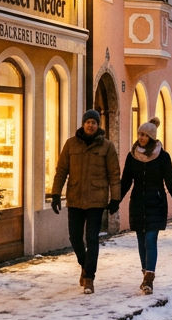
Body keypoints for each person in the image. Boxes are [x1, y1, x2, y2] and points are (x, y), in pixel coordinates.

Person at [48, 109, 121, 295]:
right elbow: (62, 169)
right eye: (88, 122)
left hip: (97, 199)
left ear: (98, 125)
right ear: (83, 124)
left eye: (94, 123)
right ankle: (84, 264)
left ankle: (89, 278)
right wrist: (56, 194)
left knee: (92, 238)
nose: (90, 125)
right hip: (75, 198)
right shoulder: (71, 144)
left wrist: (115, 199)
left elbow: (114, 174)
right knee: (74, 237)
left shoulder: (107, 146)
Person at [119, 117, 172, 295]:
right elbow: (125, 181)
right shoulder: (132, 156)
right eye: (139, 134)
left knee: (150, 239)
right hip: (138, 202)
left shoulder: (162, 156)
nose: (141, 137)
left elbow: (170, 181)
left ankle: (149, 277)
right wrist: (115, 201)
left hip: (156, 202)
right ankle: (145, 273)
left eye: (145, 135)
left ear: (152, 137)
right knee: (141, 241)